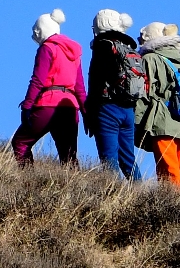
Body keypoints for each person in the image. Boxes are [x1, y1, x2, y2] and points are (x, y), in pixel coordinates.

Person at [12, 10, 83, 164]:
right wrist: (86, 112)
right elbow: (80, 87)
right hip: (70, 107)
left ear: (41, 30)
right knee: (69, 156)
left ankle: (27, 180)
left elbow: (38, 80)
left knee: (20, 142)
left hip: (48, 104)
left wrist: (27, 105)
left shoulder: (47, 48)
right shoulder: (74, 52)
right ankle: (73, 186)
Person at [136, 21, 180, 183]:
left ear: (149, 37)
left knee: (169, 173)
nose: (139, 40)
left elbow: (145, 92)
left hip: (163, 122)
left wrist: (135, 121)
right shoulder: (177, 60)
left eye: (142, 36)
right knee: (174, 170)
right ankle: (176, 203)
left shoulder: (149, 58)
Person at [85, 9, 144, 180]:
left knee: (108, 158)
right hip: (128, 110)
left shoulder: (102, 46)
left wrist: (90, 112)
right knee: (128, 159)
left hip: (107, 108)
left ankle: (112, 196)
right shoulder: (129, 48)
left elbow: (96, 81)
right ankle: (138, 196)